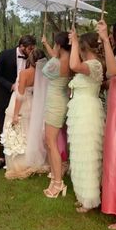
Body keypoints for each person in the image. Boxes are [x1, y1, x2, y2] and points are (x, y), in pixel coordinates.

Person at [67, 29, 104, 213]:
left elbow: (73, 65)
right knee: (79, 153)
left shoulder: (95, 65)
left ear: (83, 47)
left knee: (88, 155)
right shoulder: (89, 63)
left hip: (88, 113)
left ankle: (90, 198)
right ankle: (82, 195)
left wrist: (73, 42)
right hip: (80, 112)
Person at [0, 35, 36, 169]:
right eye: (29, 48)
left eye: (32, 48)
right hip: (4, 94)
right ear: (21, 46)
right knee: (3, 125)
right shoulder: (5, 54)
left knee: (21, 125)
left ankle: (19, 156)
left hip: (23, 98)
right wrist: (10, 86)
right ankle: (2, 157)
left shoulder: (32, 58)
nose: (31, 50)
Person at [1, 48, 47, 179]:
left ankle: (20, 163)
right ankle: (32, 159)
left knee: (18, 132)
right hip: (33, 104)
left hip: (20, 104)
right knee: (29, 132)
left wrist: (15, 114)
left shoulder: (24, 73)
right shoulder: (43, 74)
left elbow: (20, 96)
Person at [42, 32, 71, 198]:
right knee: (50, 141)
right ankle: (55, 177)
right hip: (59, 100)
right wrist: (50, 45)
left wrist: (50, 47)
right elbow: (55, 57)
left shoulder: (57, 62)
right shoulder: (70, 60)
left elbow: (45, 71)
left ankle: (58, 183)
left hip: (55, 103)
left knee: (51, 142)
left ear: (59, 45)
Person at [97, 20, 116, 230]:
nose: (111, 37)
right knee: (113, 157)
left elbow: (114, 70)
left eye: (113, 34)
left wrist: (104, 40)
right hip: (115, 110)